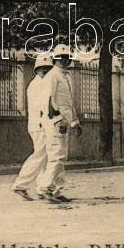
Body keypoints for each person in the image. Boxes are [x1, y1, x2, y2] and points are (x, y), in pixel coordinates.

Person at [38, 44, 82, 203]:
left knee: (61, 157)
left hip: (65, 122)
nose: (64, 60)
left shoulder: (66, 77)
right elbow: (48, 101)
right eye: (60, 58)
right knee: (57, 157)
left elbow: (68, 103)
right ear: (54, 59)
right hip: (55, 122)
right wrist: (58, 120)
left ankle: (56, 191)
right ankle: (45, 188)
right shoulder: (52, 76)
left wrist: (75, 122)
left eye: (67, 58)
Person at [11, 55, 53, 201]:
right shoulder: (38, 85)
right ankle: (20, 184)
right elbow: (43, 107)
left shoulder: (39, 84)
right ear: (37, 70)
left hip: (39, 124)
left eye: (48, 69)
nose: (46, 72)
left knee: (44, 157)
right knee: (40, 155)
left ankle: (41, 188)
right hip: (40, 125)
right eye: (43, 69)